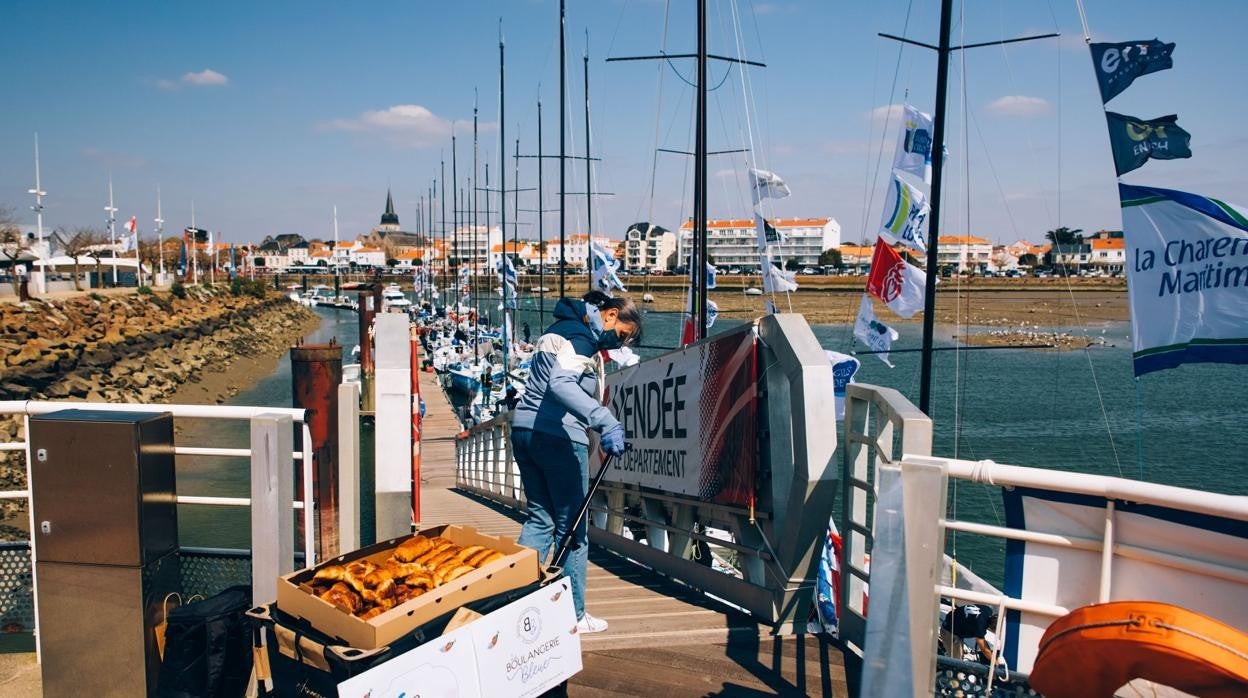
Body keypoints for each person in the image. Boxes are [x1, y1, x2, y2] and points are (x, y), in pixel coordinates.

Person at [510, 290, 641, 634]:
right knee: (574, 529)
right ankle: (574, 615)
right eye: (623, 333)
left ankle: (513, 602)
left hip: (525, 428)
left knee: (541, 519)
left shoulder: (556, 331)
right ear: (610, 315)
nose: (620, 343)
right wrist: (605, 420)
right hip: (559, 436)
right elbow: (561, 384)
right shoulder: (582, 337)